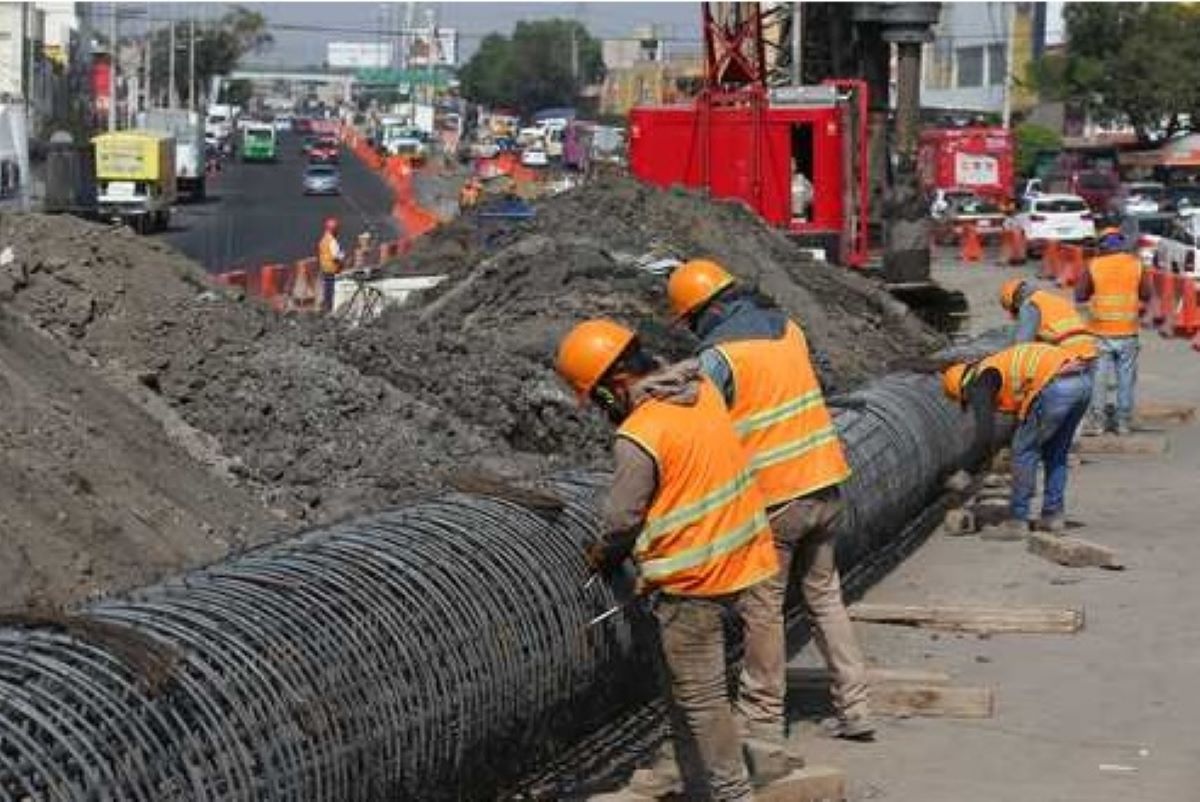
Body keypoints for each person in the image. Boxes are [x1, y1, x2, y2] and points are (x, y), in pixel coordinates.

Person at [556, 319, 781, 801]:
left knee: (700, 699)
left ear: (616, 383)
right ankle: (696, 783)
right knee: (688, 692)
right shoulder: (700, 393)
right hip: (742, 557)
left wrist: (603, 556)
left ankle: (732, 792)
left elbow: (621, 519)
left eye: (599, 396)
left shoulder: (639, 433)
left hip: (691, 580)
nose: (602, 408)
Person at [666, 259, 872, 748]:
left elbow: (696, 424)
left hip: (776, 500)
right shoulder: (789, 330)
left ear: (704, 310)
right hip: (824, 483)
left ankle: (761, 722)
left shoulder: (720, 357)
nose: (693, 329)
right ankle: (856, 706)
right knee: (825, 598)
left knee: (764, 609)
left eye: (692, 320)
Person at [942, 342, 1093, 536]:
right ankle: (1052, 517)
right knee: (1056, 453)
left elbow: (984, 437)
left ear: (961, 389)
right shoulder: (994, 367)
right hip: (1082, 382)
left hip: (1056, 385)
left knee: (1023, 450)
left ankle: (1017, 520)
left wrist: (964, 472)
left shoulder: (979, 384)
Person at [1075, 227, 1152, 435]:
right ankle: (1123, 423)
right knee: (1125, 379)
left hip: (1100, 331)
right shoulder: (1136, 265)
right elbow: (1146, 294)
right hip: (1128, 331)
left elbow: (1080, 295)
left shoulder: (1094, 265)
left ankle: (1097, 423)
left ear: (1102, 245)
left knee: (1099, 379)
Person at [999, 279, 1098, 361]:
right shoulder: (1056, 299)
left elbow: (1022, 345)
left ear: (1015, 303)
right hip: (1092, 349)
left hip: (1069, 353)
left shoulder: (1030, 304)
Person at [317, 217, 344, 313]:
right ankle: (330, 309)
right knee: (333, 292)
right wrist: (342, 257)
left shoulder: (323, 240)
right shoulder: (332, 241)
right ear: (334, 230)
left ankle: (326, 308)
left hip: (325, 269)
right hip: (333, 270)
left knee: (327, 291)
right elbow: (336, 256)